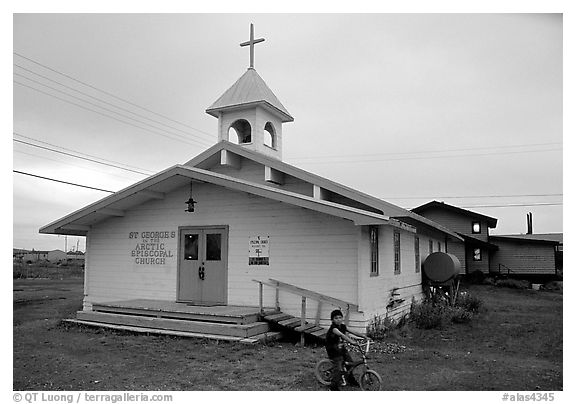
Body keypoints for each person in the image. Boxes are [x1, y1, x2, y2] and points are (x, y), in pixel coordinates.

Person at [325, 309, 365, 390]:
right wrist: (352, 341)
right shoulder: (333, 328)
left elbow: (354, 332)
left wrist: (365, 337)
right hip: (333, 350)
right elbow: (342, 335)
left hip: (341, 349)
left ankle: (350, 380)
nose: (338, 319)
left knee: (350, 364)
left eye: (340, 317)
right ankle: (333, 386)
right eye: (336, 318)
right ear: (332, 320)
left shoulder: (343, 326)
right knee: (339, 368)